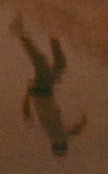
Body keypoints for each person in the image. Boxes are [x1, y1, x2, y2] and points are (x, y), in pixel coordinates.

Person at [12, 15, 88, 158]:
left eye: (63, 145)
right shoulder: (49, 134)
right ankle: (51, 32)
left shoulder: (56, 136)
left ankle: (22, 34)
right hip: (43, 92)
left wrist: (82, 124)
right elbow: (27, 116)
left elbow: (71, 133)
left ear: (58, 145)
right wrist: (27, 97)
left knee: (41, 62)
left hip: (42, 92)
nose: (64, 143)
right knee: (58, 65)